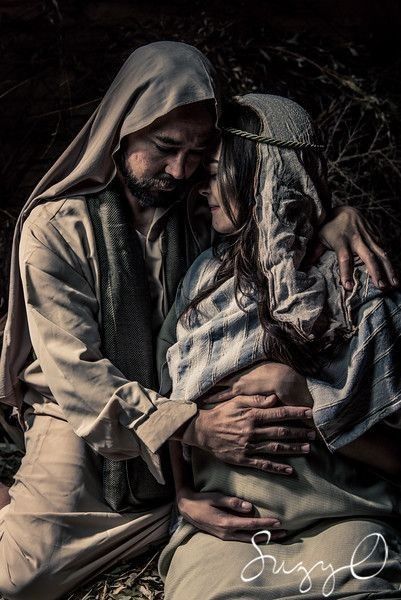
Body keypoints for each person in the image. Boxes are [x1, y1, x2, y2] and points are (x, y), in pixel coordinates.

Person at [0, 42, 396, 599]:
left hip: (189, 421)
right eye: (165, 148)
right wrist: (195, 429)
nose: (180, 171)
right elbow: (77, 374)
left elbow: (272, 201)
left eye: (199, 154)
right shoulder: (57, 227)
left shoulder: (197, 206)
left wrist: (334, 216)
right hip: (85, 414)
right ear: (122, 129)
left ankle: (178, 513)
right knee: (21, 578)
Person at [158, 94, 401, 599]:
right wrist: (183, 497)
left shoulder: (355, 279)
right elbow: (167, 406)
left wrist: (306, 396)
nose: (198, 184)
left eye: (215, 169)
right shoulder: (203, 279)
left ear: (267, 171)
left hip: (342, 520)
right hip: (226, 527)